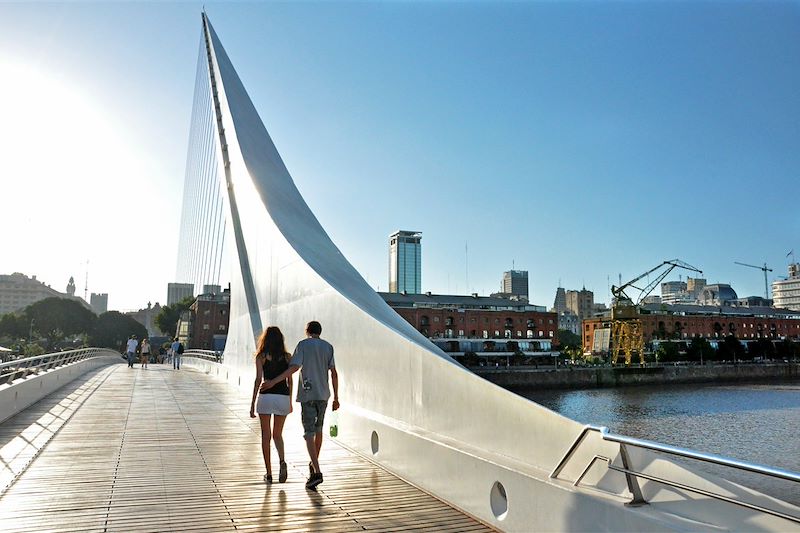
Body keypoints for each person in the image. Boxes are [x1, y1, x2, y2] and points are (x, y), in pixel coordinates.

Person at [263, 321, 339, 490]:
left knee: (308, 433)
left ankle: (317, 471)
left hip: (307, 394)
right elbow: (333, 372)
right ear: (320, 331)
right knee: (319, 431)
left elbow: (294, 368)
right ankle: (313, 466)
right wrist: (336, 397)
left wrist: (274, 381)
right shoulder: (328, 347)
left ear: (307, 331)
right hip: (324, 395)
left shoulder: (303, 345)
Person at [249, 327, 293, 484]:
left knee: (265, 436)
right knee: (278, 434)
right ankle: (282, 461)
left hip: (266, 398)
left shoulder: (261, 356)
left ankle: (268, 473)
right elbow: (290, 380)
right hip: (282, 397)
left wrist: (253, 402)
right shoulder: (287, 357)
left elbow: (258, 380)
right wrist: (290, 400)